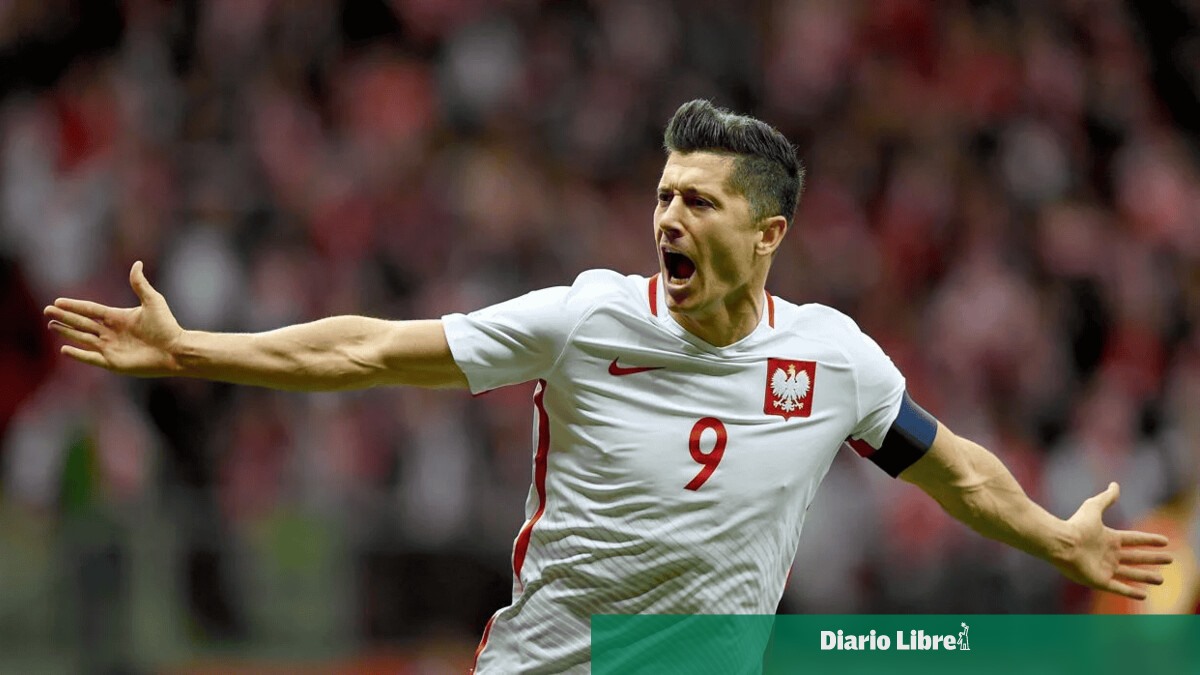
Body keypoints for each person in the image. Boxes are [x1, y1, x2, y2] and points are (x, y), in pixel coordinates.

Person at [44, 100, 1172, 673]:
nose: (669, 215)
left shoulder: (835, 360)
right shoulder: (586, 320)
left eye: (700, 201)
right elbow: (369, 348)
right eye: (665, 194)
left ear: (769, 233)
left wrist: (1051, 538)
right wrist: (194, 351)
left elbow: (951, 466)